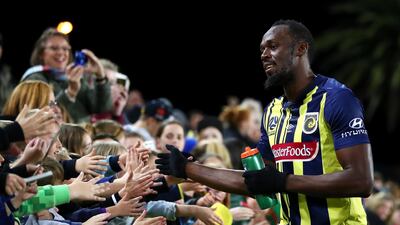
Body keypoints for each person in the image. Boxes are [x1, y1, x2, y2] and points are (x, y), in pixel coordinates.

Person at [156, 19, 374, 225]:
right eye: (262, 49)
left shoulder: (337, 98)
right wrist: (188, 169)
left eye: (273, 46)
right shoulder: (273, 112)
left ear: (300, 49)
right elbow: (256, 181)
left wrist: (284, 182)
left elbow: (361, 180)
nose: (264, 55)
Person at [21, 28, 112, 123]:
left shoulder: (76, 78)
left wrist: (101, 77)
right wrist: (70, 93)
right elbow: (42, 115)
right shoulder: (34, 79)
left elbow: (102, 109)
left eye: (65, 49)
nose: (61, 52)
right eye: (54, 48)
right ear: (41, 53)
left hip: (83, 134)